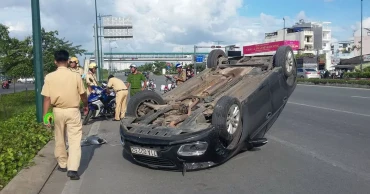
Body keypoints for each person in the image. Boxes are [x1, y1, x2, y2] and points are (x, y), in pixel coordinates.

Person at [41, 49, 88, 180]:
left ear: (55, 62)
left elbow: (46, 99)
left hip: (57, 111)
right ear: (68, 61)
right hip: (73, 111)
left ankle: (62, 164)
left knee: (59, 138)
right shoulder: (76, 76)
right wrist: (86, 105)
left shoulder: (49, 77)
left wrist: (45, 117)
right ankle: (72, 169)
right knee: (74, 140)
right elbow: (83, 94)